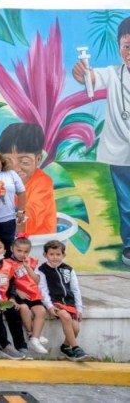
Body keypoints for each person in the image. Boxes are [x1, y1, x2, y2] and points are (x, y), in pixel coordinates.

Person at [72, 19, 130, 264]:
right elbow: (91, 77)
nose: (129, 52)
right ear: (119, 47)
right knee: (126, 203)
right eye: (126, 46)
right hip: (120, 151)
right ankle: (129, 245)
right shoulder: (113, 74)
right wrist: (82, 73)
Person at [0, 123, 56, 236]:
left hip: (37, 241)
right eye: (8, 162)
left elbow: (31, 216)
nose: (15, 169)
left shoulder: (42, 182)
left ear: (38, 159)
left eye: (24, 162)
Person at [36, 240, 89, 361]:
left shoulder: (68, 269)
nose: (55, 257)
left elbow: (75, 289)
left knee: (76, 328)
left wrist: (79, 308)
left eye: (58, 254)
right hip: (54, 301)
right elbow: (43, 290)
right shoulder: (42, 270)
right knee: (66, 318)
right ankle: (76, 348)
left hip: (69, 303)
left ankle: (65, 347)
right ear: (45, 255)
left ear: (63, 255)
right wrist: (49, 306)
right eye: (51, 254)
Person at [8, 236, 48, 355]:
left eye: (26, 252)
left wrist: (27, 267)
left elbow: (36, 280)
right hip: (19, 294)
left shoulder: (33, 262)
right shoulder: (7, 263)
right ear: (12, 249)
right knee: (24, 308)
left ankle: (35, 338)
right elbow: (6, 282)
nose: (22, 254)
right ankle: (32, 334)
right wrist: (17, 292)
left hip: (33, 293)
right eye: (19, 251)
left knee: (41, 311)